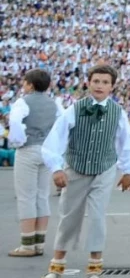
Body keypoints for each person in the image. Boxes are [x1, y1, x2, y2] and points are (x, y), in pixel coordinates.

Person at [41, 65, 130, 278]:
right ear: (88, 83)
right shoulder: (74, 109)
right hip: (76, 168)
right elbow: (55, 138)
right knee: (69, 215)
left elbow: (125, 142)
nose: (100, 86)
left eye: (104, 82)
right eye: (96, 81)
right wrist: (56, 168)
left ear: (112, 87)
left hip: (104, 168)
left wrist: (127, 171)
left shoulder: (118, 112)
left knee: (97, 216)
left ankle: (95, 266)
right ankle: (57, 265)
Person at [7, 69, 60, 258]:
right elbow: (60, 126)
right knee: (42, 196)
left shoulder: (23, 102)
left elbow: (14, 121)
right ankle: (39, 242)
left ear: (30, 84)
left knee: (26, 196)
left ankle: (27, 244)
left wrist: (18, 141)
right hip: (46, 150)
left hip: (29, 149)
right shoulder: (54, 104)